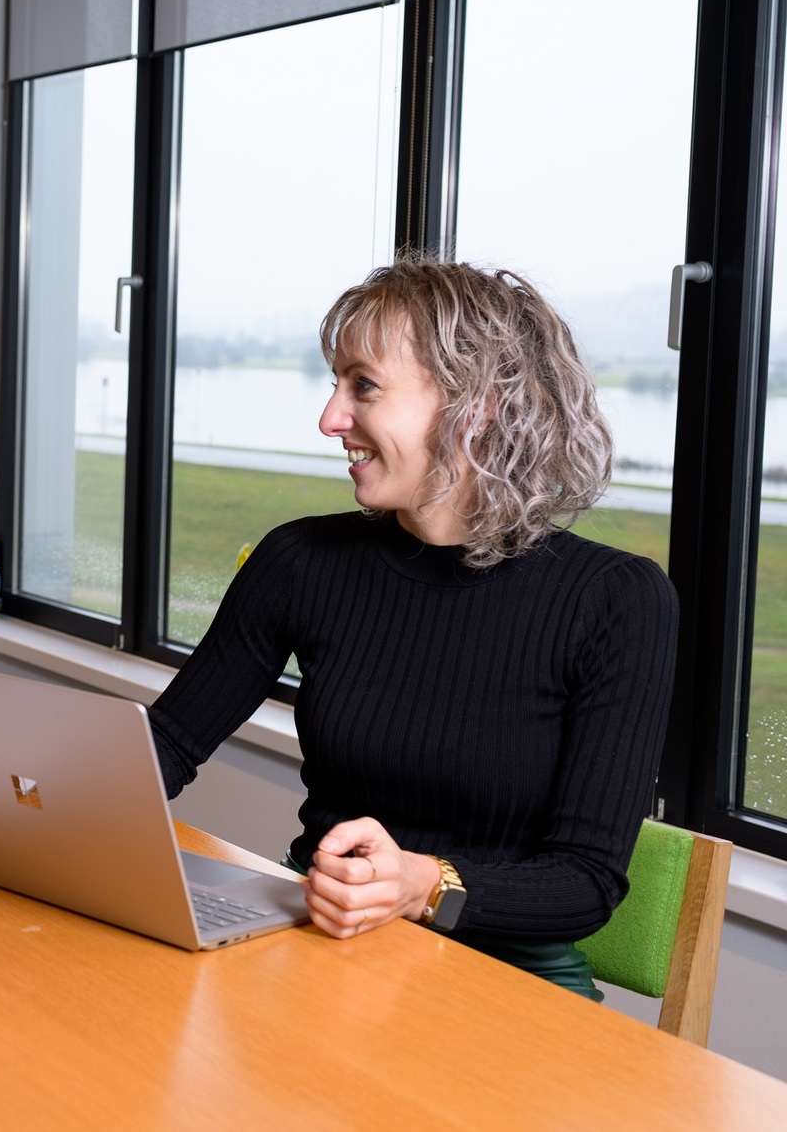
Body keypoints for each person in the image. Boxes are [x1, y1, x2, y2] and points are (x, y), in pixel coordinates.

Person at [147, 257, 677, 1000]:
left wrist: (423, 884)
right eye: (335, 384)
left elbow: (585, 882)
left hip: (506, 985)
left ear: (477, 404)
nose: (331, 418)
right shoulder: (300, 560)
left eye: (363, 385)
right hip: (322, 946)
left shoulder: (616, 600)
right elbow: (164, 746)